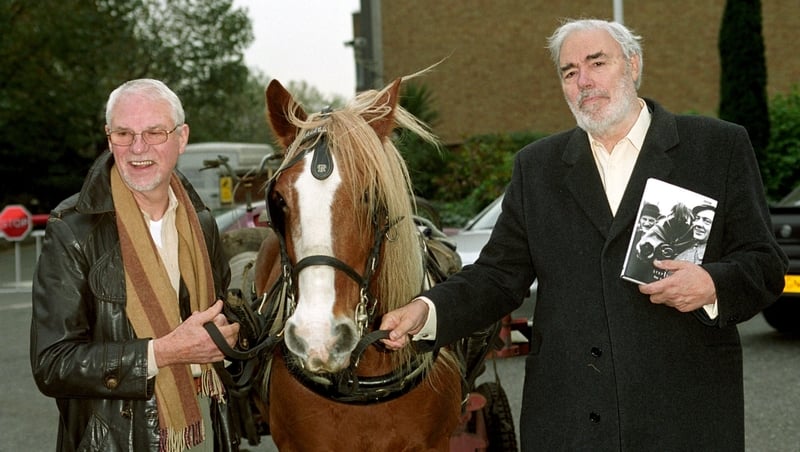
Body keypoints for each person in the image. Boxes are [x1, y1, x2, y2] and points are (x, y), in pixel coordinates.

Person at [380, 19, 787, 451]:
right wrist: (428, 310)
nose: (584, 81)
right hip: (571, 423)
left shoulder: (715, 148)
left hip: (685, 418)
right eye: (569, 71)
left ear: (633, 65)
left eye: (597, 62)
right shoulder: (538, 168)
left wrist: (710, 285)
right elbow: (497, 276)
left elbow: (765, 264)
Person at [30, 79, 241, 452]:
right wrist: (162, 353)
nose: (138, 148)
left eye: (154, 132)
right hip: (115, 440)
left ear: (182, 137)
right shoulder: (73, 228)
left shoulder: (201, 222)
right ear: (109, 139)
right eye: (124, 133)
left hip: (202, 431)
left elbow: (223, 318)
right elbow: (52, 364)